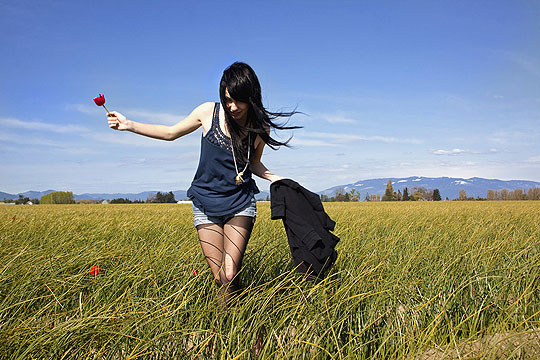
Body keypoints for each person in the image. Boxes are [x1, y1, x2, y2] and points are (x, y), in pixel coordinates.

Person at [107, 62, 300, 307]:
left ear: (251, 96)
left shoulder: (260, 128)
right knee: (220, 277)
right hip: (205, 203)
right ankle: (229, 323)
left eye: (239, 100)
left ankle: (236, 324)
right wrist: (129, 125)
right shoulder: (208, 112)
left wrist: (277, 178)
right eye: (228, 100)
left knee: (230, 273)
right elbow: (170, 132)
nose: (232, 107)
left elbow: (254, 164)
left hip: (240, 203)